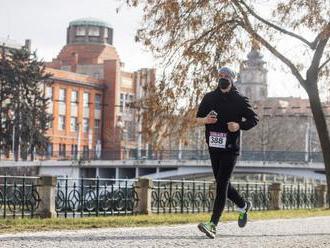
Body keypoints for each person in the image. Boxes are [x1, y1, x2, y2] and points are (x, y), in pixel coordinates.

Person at [196, 66, 259, 239]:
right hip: (214, 146)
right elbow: (197, 118)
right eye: (220, 76)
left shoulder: (240, 100)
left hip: (231, 148)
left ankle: (212, 225)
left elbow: (254, 119)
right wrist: (205, 120)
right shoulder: (209, 97)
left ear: (232, 79)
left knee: (222, 183)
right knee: (221, 181)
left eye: (226, 76)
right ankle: (243, 205)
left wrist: (239, 125)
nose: (222, 78)